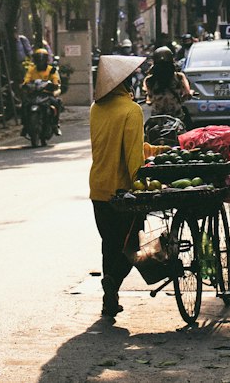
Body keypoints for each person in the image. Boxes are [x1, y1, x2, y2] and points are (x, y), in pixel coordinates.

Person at [89, 54, 146, 321]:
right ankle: (112, 282)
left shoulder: (96, 109)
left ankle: (109, 301)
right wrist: (143, 186)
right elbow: (133, 158)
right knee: (131, 245)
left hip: (98, 188)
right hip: (123, 190)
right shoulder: (131, 111)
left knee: (108, 245)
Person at [142, 46, 192, 123]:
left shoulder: (149, 80)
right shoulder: (179, 77)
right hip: (177, 117)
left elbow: (149, 98)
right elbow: (187, 93)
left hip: (158, 120)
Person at [21, 47, 62, 137]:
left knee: (57, 103)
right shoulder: (31, 69)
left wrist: (54, 85)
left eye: (42, 58)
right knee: (24, 105)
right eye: (38, 59)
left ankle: (55, 125)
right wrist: (25, 84)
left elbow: (56, 80)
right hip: (34, 94)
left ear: (46, 59)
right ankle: (25, 126)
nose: (40, 61)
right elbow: (26, 79)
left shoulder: (51, 70)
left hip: (47, 94)